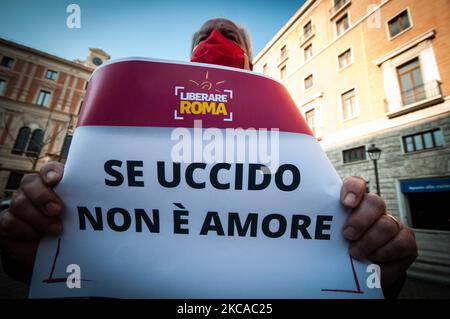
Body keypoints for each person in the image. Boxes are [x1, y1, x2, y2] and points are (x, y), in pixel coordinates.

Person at [0, 18, 417, 298]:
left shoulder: (293, 138)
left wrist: (381, 264)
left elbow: (340, 246)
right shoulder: (140, 126)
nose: (214, 38)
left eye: (229, 35)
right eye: (203, 35)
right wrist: (34, 252)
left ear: (252, 61)